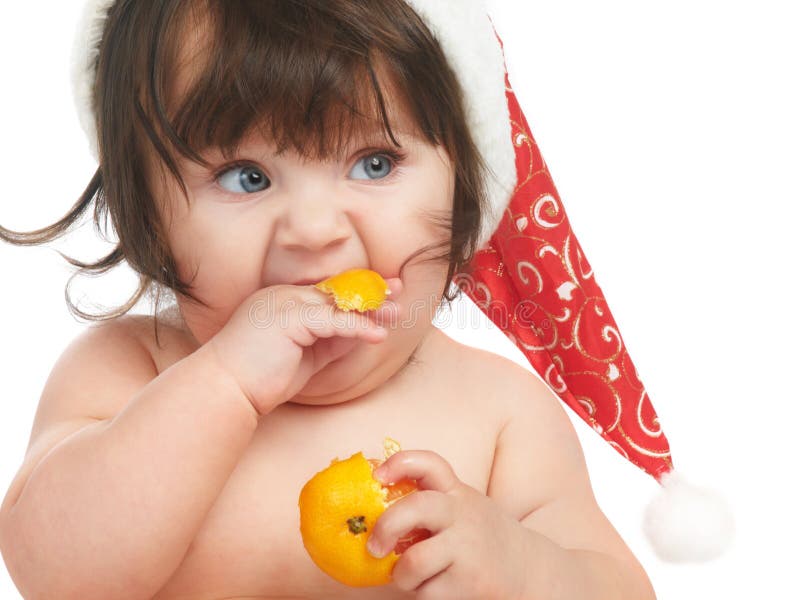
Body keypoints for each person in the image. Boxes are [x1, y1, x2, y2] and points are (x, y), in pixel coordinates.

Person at [0, 1, 732, 598]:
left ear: (465, 187)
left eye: (374, 162)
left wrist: (520, 568)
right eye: (245, 176)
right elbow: (52, 571)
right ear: (146, 214)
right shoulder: (126, 375)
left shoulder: (501, 415)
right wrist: (222, 383)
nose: (316, 231)